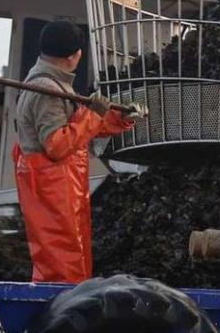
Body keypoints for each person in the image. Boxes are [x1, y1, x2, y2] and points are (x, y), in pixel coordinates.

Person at [14, 21, 136, 283]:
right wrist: (93, 114)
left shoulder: (50, 83)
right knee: (62, 262)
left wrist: (116, 118)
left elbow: (75, 127)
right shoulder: (47, 90)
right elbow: (58, 146)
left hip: (60, 186)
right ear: (74, 56)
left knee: (72, 257)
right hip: (54, 185)